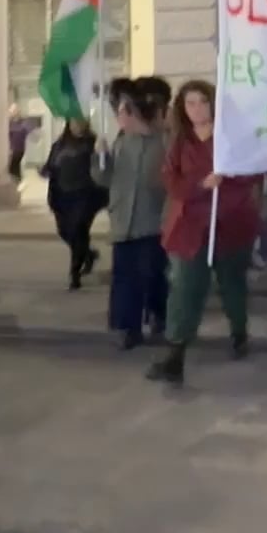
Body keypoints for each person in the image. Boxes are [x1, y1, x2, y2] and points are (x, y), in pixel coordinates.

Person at [145, 80, 263, 385]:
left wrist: (227, 178)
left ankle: (239, 330)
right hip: (189, 227)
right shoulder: (180, 142)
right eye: (189, 103)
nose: (196, 109)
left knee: (232, 285)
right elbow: (171, 180)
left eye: (202, 101)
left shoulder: (231, 138)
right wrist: (200, 186)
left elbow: (254, 172)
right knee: (184, 288)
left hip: (229, 226)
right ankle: (175, 355)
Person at [98, 78, 170, 350]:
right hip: (122, 221)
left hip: (151, 221)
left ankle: (159, 314)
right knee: (124, 277)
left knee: (152, 274)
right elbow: (104, 180)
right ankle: (127, 327)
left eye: (123, 111)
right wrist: (99, 159)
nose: (118, 116)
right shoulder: (119, 143)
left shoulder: (162, 143)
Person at [43, 118, 106, 290]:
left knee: (79, 229)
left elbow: (102, 168)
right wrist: (46, 170)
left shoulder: (92, 143)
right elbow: (51, 165)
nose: (77, 127)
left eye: (80, 124)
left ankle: (75, 273)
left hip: (85, 193)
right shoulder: (60, 144)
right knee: (65, 231)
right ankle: (88, 254)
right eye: (74, 123)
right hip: (62, 194)